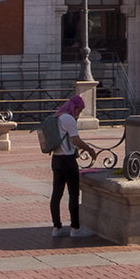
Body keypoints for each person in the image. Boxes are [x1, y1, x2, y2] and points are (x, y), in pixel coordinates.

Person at [49, 95, 100, 238]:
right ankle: (75, 228)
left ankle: (57, 227)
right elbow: (75, 139)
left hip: (56, 159)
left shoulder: (57, 116)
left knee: (56, 194)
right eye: (80, 109)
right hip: (68, 160)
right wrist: (89, 149)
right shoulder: (69, 119)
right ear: (75, 107)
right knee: (73, 193)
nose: (80, 112)